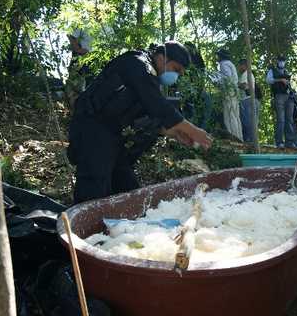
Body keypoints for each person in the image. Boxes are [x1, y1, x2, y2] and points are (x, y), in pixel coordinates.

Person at [67, 41, 213, 204]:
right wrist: (193, 130)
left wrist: (173, 133)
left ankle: (126, 224)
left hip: (112, 133)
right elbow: (158, 106)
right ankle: (82, 225)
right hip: (91, 128)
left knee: (126, 184)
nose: (176, 76)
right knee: (94, 185)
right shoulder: (136, 63)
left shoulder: (150, 80)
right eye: (176, 69)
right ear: (161, 57)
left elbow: (144, 115)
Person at [266, 55, 295, 148]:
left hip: (289, 96)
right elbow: (268, 80)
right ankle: (279, 142)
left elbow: (291, 84)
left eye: (283, 61)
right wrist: (280, 80)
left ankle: (289, 142)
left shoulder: (287, 71)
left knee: (289, 119)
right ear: (277, 61)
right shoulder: (272, 71)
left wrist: (288, 83)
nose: (282, 62)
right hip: (278, 96)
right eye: (280, 60)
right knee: (281, 120)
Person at [215, 49, 243, 140]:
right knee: (235, 115)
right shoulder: (231, 64)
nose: (217, 57)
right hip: (234, 91)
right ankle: (239, 137)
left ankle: (233, 137)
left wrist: (218, 82)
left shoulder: (223, 64)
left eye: (218, 56)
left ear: (221, 56)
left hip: (228, 90)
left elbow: (228, 78)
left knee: (229, 115)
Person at [65, 28, 93, 107]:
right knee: (73, 87)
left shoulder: (107, 24)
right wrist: (78, 49)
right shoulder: (83, 20)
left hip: (96, 60)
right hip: (81, 56)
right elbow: (70, 34)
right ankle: (73, 112)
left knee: (92, 86)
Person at [238, 59, 260, 143]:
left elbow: (244, 86)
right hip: (253, 100)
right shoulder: (250, 74)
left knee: (247, 123)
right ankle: (253, 141)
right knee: (253, 123)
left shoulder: (246, 74)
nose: (239, 67)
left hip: (247, 101)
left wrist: (235, 84)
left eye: (240, 65)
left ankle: (249, 142)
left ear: (244, 65)